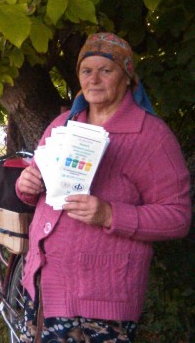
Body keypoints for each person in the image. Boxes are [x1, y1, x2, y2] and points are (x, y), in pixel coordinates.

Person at [15, 32, 191, 342]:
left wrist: (110, 214)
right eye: (86, 70)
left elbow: (177, 218)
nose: (93, 79)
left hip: (104, 303)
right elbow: (34, 189)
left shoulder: (151, 137)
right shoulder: (62, 125)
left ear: (127, 77)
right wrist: (26, 184)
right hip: (45, 288)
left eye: (105, 70)